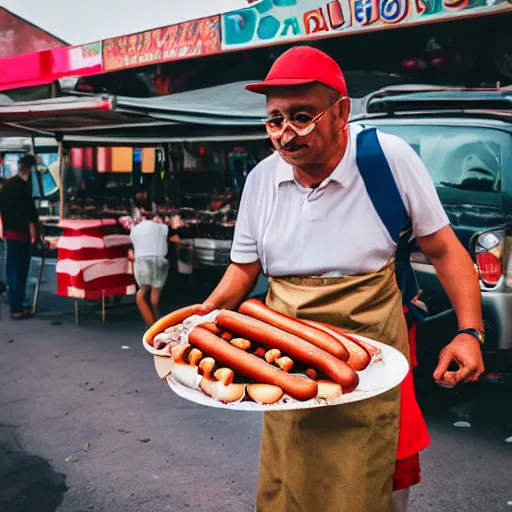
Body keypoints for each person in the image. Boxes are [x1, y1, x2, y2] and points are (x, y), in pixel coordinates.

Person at [197, 46, 485, 512]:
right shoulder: (260, 181)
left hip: (376, 363)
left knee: (377, 487)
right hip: (288, 367)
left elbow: (445, 249)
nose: (286, 135)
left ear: (342, 112)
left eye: (302, 116)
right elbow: (243, 269)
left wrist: (469, 331)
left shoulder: (386, 160)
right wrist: (201, 320)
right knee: (292, 479)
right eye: (274, 120)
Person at [0, 154, 39, 320]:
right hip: (21, 234)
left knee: (12, 271)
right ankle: (17, 307)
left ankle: (17, 305)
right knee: (20, 271)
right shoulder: (24, 188)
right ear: (29, 169)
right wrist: (34, 235)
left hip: (9, 232)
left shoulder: (6, 186)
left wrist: (1, 229)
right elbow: (30, 214)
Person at [128, 215, 170, 327]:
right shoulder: (162, 227)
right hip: (159, 260)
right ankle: (158, 326)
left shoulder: (134, 229)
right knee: (154, 298)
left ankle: (153, 327)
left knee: (142, 293)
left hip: (141, 260)